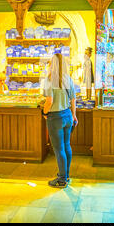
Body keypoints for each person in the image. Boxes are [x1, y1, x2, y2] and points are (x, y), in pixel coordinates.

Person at [42, 52, 78, 188]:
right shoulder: (68, 78)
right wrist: (74, 115)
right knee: (67, 145)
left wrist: (44, 112)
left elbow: (49, 101)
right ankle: (66, 175)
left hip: (55, 117)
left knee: (59, 149)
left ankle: (62, 179)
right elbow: (73, 99)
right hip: (67, 115)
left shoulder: (50, 79)